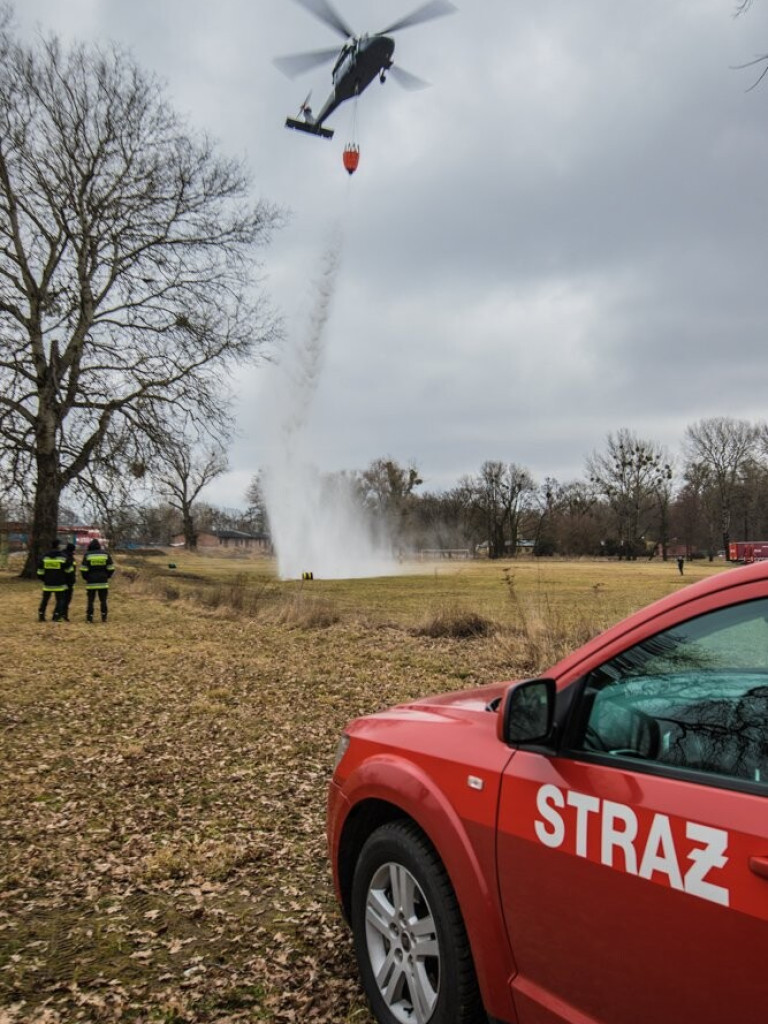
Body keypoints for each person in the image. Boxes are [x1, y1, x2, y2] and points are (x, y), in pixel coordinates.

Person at [37, 538, 75, 622]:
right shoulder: (63, 557)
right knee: (60, 600)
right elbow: (69, 572)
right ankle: (56, 616)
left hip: (47, 583)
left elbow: (40, 572)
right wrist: (69, 581)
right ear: (58, 546)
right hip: (60, 583)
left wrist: (45, 579)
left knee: (45, 600)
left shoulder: (44, 557)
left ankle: (41, 615)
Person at [81, 538, 115, 622]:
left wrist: (86, 577)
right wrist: (107, 576)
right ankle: (104, 617)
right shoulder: (105, 554)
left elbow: (83, 569)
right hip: (103, 581)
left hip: (91, 582)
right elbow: (111, 568)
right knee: (103, 600)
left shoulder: (87, 555)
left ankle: (89, 618)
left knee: (90, 601)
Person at [63, 542, 76, 621]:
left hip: (61, 580)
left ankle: (59, 614)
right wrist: (72, 580)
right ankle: (64, 615)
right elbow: (71, 570)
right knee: (66, 599)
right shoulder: (70, 557)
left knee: (61, 599)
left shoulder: (62, 555)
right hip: (68, 581)